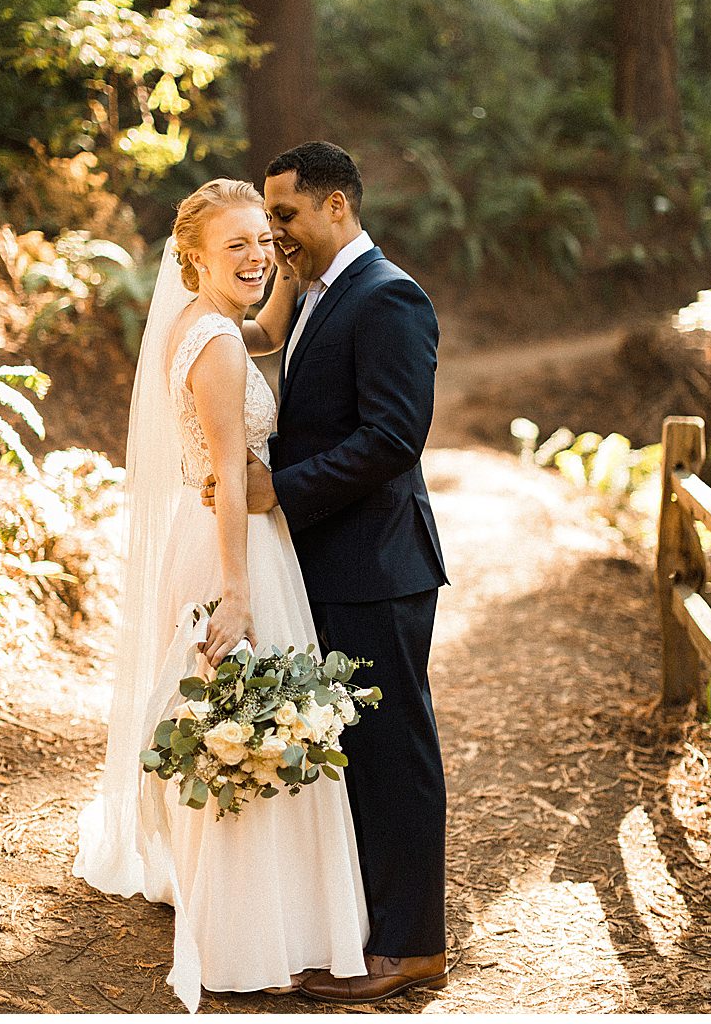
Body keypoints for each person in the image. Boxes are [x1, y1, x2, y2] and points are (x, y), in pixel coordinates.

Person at [73, 178, 369, 1013]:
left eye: (263, 241)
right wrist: (238, 593)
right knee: (251, 727)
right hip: (235, 549)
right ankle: (250, 933)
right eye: (233, 245)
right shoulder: (220, 347)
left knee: (233, 722)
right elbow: (234, 478)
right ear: (193, 257)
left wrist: (278, 274)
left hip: (198, 538)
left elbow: (259, 324)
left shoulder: (195, 324)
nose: (255, 256)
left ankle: (248, 909)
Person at [202, 142, 450, 1005]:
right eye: (267, 218)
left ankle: (414, 945)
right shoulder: (315, 291)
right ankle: (359, 924)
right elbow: (258, 341)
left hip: (379, 566)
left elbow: (391, 439)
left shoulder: (388, 297)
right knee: (354, 751)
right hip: (333, 561)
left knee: (394, 752)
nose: (274, 235)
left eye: (285, 215)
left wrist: (276, 491)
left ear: (336, 206)